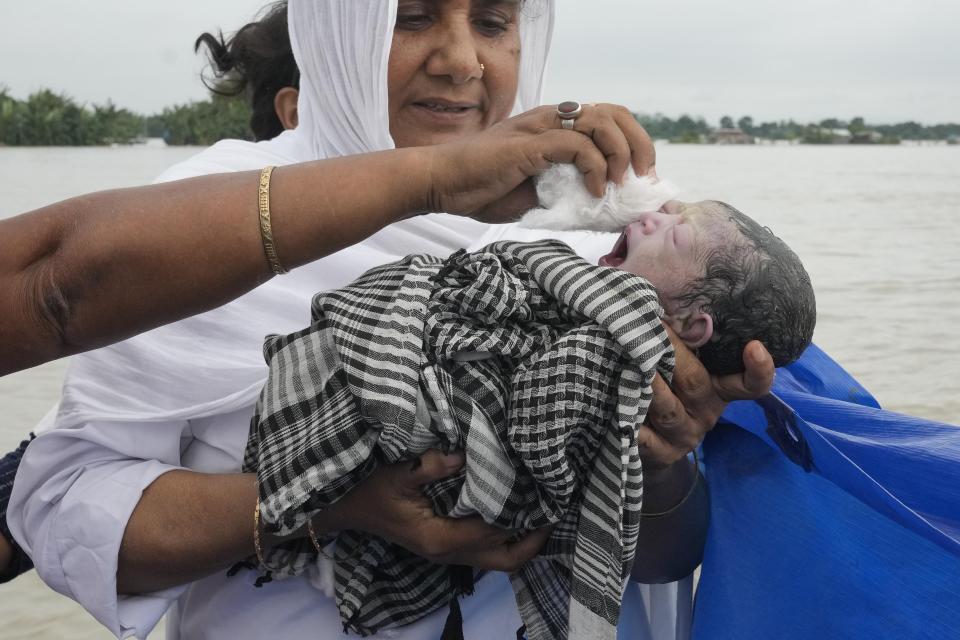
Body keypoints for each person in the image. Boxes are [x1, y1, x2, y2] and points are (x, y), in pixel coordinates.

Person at [8, 2, 774, 640]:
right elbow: (64, 512)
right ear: (337, 32)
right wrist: (333, 507)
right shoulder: (205, 224)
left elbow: (666, 560)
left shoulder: (601, 239)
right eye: (411, 19)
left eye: (494, 21)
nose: (461, 60)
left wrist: (665, 458)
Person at [243, 199, 814, 638]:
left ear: (694, 325)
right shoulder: (239, 208)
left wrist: (657, 455)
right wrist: (345, 509)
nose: (648, 216)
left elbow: (654, 546)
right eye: (667, 210)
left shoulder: (627, 335)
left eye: (676, 230)